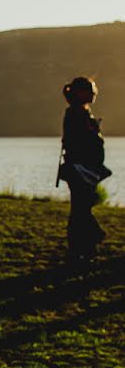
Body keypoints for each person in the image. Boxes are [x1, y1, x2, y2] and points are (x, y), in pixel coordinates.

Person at [58, 77, 112, 262]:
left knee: (81, 208)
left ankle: (84, 246)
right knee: (81, 209)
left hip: (84, 169)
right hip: (81, 170)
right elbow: (78, 142)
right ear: (79, 92)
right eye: (89, 90)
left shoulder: (80, 113)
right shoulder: (76, 114)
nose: (93, 93)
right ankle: (85, 244)